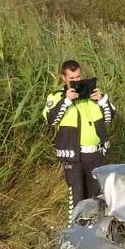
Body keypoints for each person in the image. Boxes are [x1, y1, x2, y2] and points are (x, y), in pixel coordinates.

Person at [42, 60, 116, 213]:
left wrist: (102, 100)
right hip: (74, 157)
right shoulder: (56, 97)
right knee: (77, 199)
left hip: (96, 154)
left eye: (78, 77)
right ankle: (75, 234)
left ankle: (95, 232)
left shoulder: (92, 95)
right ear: (64, 78)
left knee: (97, 199)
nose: (76, 81)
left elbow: (110, 117)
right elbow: (51, 119)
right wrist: (67, 100)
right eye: (72, 79)